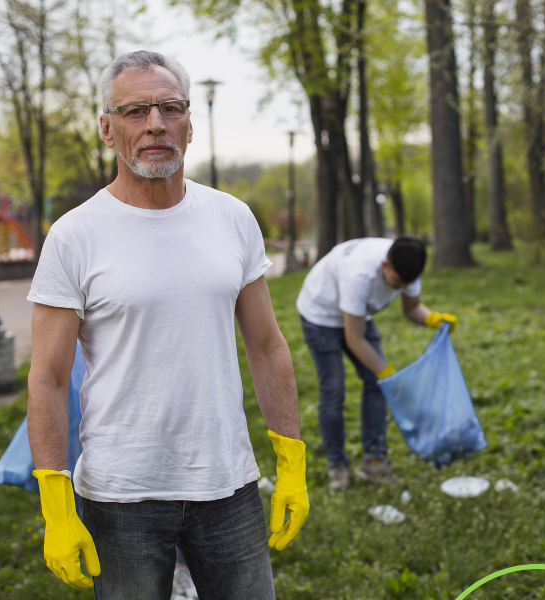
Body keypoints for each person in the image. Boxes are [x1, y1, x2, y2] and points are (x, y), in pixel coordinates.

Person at [26, 50, 309, 600]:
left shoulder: (232, 217)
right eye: (135, 111)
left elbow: (268, 346)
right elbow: (48, 377)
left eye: (169, 108)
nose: (155, 124)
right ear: (107, 129)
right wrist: (56, 504)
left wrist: (291, 458)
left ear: (189, 124)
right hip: (121, 497)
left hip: (228, 485)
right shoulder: (74, 235)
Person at [296, 236, 457, 491]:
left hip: (357, 315)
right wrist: (384, 371)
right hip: (321, 315)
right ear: (385, 265)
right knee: (334, 389)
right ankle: (337, 466)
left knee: (378, 384)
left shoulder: (407, 265)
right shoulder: (360, 274)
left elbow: (411, 306)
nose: (401, 287)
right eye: (396, 282)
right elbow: (354, 338)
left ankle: (374, 463)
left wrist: (432, 319)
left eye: (407, 283)